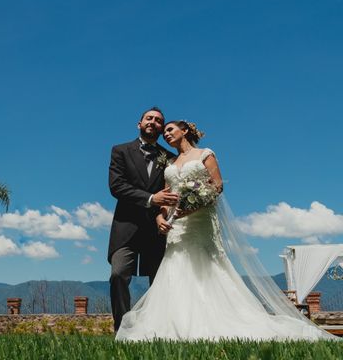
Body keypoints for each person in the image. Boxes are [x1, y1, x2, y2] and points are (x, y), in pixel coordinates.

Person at [115, 120, 335, 341]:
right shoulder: (169, 163)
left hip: (201, 222)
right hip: (177, 227)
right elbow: (167, 195)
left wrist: (192, 207)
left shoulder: (205, 154)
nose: (166, 134)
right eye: (164, 134)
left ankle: (218, 321)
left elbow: (217, 186)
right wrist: (160, 217)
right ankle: (176, 324)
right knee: (175, 269)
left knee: (207, 269)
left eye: (170, 129)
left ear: (185, 131)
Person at [108, 107, 178, 332]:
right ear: (139, 123)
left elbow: (171, 192)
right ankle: (121, 329)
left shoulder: (169, 158)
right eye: (149, 118)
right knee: (118, 274)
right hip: (125, 226)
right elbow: (117, 186)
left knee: (158, 280)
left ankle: (158, 328)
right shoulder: (120, 151)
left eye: (159, 121)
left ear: (161, 129)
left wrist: (161, 212)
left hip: (156, 228)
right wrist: (151, 198)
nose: (153, 122)